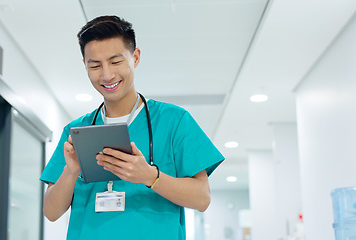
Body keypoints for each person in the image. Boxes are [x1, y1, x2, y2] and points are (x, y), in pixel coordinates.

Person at [40, 15, 224, 240]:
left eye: (116, 62)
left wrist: (149, 176)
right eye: (95, 65)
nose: (107, 75)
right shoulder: (76, 131)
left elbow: (202, 198)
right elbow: (50, 212)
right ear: (85, 66)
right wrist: (71, 172)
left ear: (135, 57)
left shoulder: (174, 121)